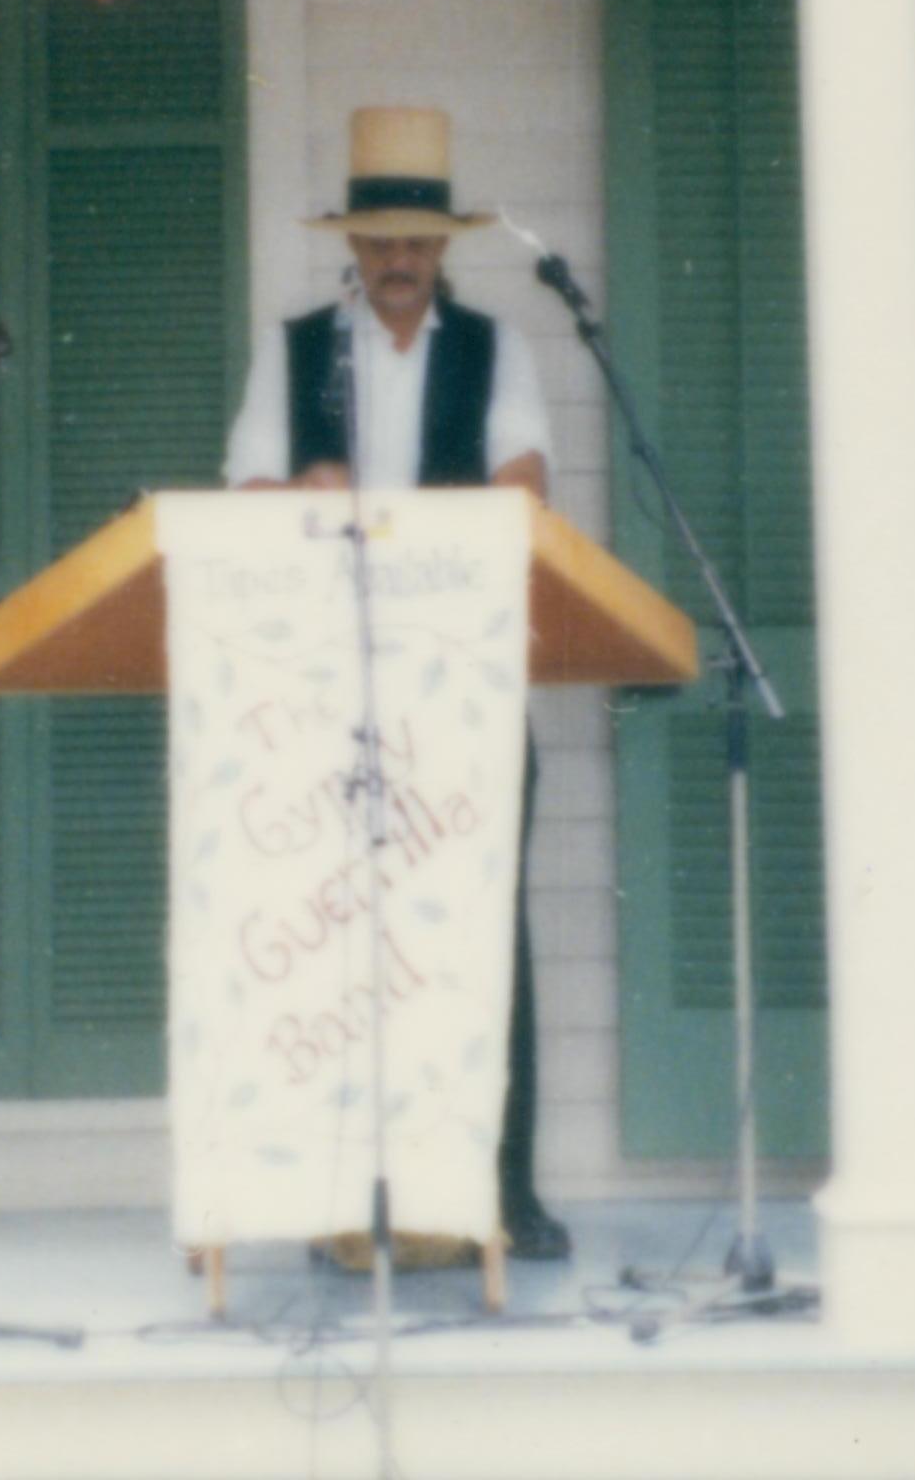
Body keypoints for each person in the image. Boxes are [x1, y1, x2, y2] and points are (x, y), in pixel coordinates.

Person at [221, 105, 571, 1263]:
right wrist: (307, 494)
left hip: (462, 681)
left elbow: (523, 489)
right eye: (379, 242)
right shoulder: (293, 345)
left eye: (418, 241)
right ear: (353, 246)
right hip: (329, 691)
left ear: (444, 246)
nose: (399, 261)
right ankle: (347, 1200)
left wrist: (374, 513)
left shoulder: (497, 348)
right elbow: (251, 495)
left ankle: (498, 1198)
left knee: (484, 938)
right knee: (338, 942)